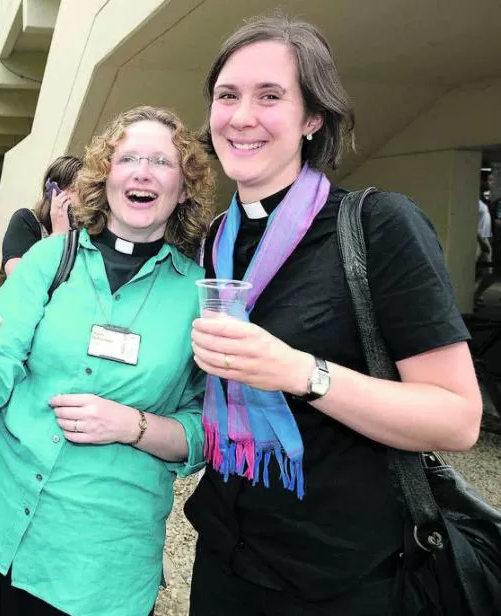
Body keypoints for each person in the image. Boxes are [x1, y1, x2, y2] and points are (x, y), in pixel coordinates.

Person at [184, 16, 481, 616]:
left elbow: (457, 419)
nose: (242, 116)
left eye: (271, 96)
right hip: (227, 554)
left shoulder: (379, 225)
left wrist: (301, 372)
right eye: (227, 95)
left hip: (346, 576)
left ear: (312, 118)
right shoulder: (216, 239)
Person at [0, 105, 215, 616]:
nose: (143, 171)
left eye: (162, 162)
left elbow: (206, 430)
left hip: (99, 562)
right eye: (129, 158)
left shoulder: (197, 296)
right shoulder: (49, 260)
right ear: (106, 176)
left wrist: (133, 425)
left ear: (184, 187)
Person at [0, 155, 82, 282]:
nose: (83, 199)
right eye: (75, 190)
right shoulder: (26, 220)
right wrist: (59, 236)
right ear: (54, 192)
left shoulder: (86, 231)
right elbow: (19, 279)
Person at [475, 188, 494, 306]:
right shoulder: (473, 203)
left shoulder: (482, 203)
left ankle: (475, 295)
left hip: (485, 238)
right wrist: (481, 241)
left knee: (486, 271)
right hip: (478, 240)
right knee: (477, 270)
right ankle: (474, 297)